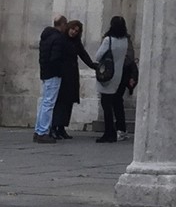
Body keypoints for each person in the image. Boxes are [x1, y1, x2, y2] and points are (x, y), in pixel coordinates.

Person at [92, 14, 137, 143]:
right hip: (118, 74)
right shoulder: (125, 41)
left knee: (106, 104)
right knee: (115, 102)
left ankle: (109, 132)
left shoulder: (108, 40)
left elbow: (98, 56)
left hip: (107, 74)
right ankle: (115, 130)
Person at [51, 18, 97, 139]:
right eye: (72, 29)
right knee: (60, 101)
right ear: (68, 28)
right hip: (62, 73)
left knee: (68, 101)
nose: (73, 32)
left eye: (76, 31)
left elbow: (83, 54)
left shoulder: (76, 42)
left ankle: (62, 127)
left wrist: (92, 65)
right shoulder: (61, 39)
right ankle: (54, 127)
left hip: (72, 74)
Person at [33, 13, 68, 141]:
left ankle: (38, 130)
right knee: (49, 103)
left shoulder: (46, 37)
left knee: (44, 102)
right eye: (65, 25)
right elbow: (56, 57)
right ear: (62, 24)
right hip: (54, 73)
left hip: (45, 72)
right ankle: (43, 132)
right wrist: (61, 70)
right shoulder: (58, 38)